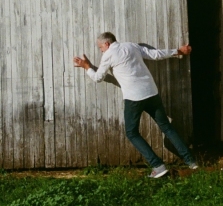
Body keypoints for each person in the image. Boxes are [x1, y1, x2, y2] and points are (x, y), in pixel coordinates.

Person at [73, 32, 198, 178]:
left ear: (106, 44)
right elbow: (155, 55)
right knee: (167, 127)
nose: (101, 50)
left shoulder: (108, 55)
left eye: (100, 47)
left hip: (134, 98)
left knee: (132, 133)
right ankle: (191, 162)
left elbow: (98, 77)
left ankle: (158, 166)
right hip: (151, 92)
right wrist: (178, 51)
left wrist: (86, 66)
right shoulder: (132, 46)